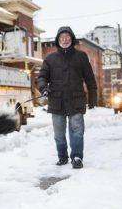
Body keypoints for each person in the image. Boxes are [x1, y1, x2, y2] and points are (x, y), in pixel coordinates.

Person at [37, 26, 97, 169]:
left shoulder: (81, 56)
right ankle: (62, 156)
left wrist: (93, 98)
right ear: (58, 40)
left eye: (67, 38)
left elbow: (90, 79)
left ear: (72, 39)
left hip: (76, 100)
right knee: (59, 133)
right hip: (56, 101)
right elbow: (42, 77)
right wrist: (43, 88)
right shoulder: (50, 58)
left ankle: (76, 157)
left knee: (77, 130)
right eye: (62, 38)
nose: (65, 40)